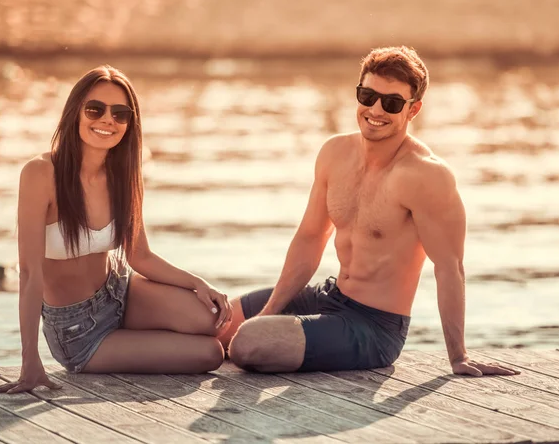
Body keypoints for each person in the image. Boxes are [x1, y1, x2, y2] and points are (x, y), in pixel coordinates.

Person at [220, 46, 520, 376]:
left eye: (391, 103)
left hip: (375, 327)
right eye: (367, 95)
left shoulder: (426, 176)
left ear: (413, 109)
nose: (375, 109)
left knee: (248, 342)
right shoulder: (335, 153)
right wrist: (271, 310)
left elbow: (450, 267)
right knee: (214, 322)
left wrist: (458, 356)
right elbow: (310, 238)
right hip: (328, 296)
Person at [0, 65, 232, 395]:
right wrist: (30, 361)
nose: (107, 120)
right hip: (77, 329)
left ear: (129, 124)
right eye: (95, 109)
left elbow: (139, 255)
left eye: (120, 114)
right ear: (75, 111)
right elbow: (31, 274)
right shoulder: (40, 173)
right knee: (210, 353)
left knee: (208, 317)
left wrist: (197, 283)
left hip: (120, 292)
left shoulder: (125, 175)